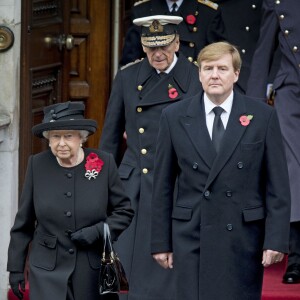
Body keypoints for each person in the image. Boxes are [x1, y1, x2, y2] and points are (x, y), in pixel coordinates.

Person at [151, 41, 291, 299]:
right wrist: (161, 242)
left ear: (236, 74)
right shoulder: (174, 116)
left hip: (242, 237)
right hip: (192, 235)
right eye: (208, 68)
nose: (214, 75)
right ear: (200, 74)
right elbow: (162, 185)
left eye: (222, 68)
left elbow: (277, 185)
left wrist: (276, 239)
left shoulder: (261, 116)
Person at [99, 15, 202, 300]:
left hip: (181, 181)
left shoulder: (196, 76)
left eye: (165, 46)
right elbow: (110, 135)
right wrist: (96, 181)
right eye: (151, 47)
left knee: (173, 270)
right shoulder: (128, 76)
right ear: (143, 47)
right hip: (136, 185)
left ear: (178, 43)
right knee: (132, 268)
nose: (158, 54)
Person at [7, 101, 134, 300]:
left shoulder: (105, 163)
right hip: (46, 270)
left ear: (81, 138)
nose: (61, 143)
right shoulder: (37, 165)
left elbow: (124, 211)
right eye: (55, 137)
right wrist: (15, 269)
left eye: (68, 136)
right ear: (48, 140)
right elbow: (23, 224)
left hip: (91, 270)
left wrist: (97, 231)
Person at [246, 0, 300, 284]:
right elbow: (265, 46)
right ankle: (297, 258)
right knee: (292, 169)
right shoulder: (277, 1)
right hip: (290, 87)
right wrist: (253, 104)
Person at [120, 0, 226, 66]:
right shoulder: (140, 11)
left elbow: (219, 61)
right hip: (152, 89)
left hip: (193, 91)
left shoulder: (208, 13)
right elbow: (130, 62)